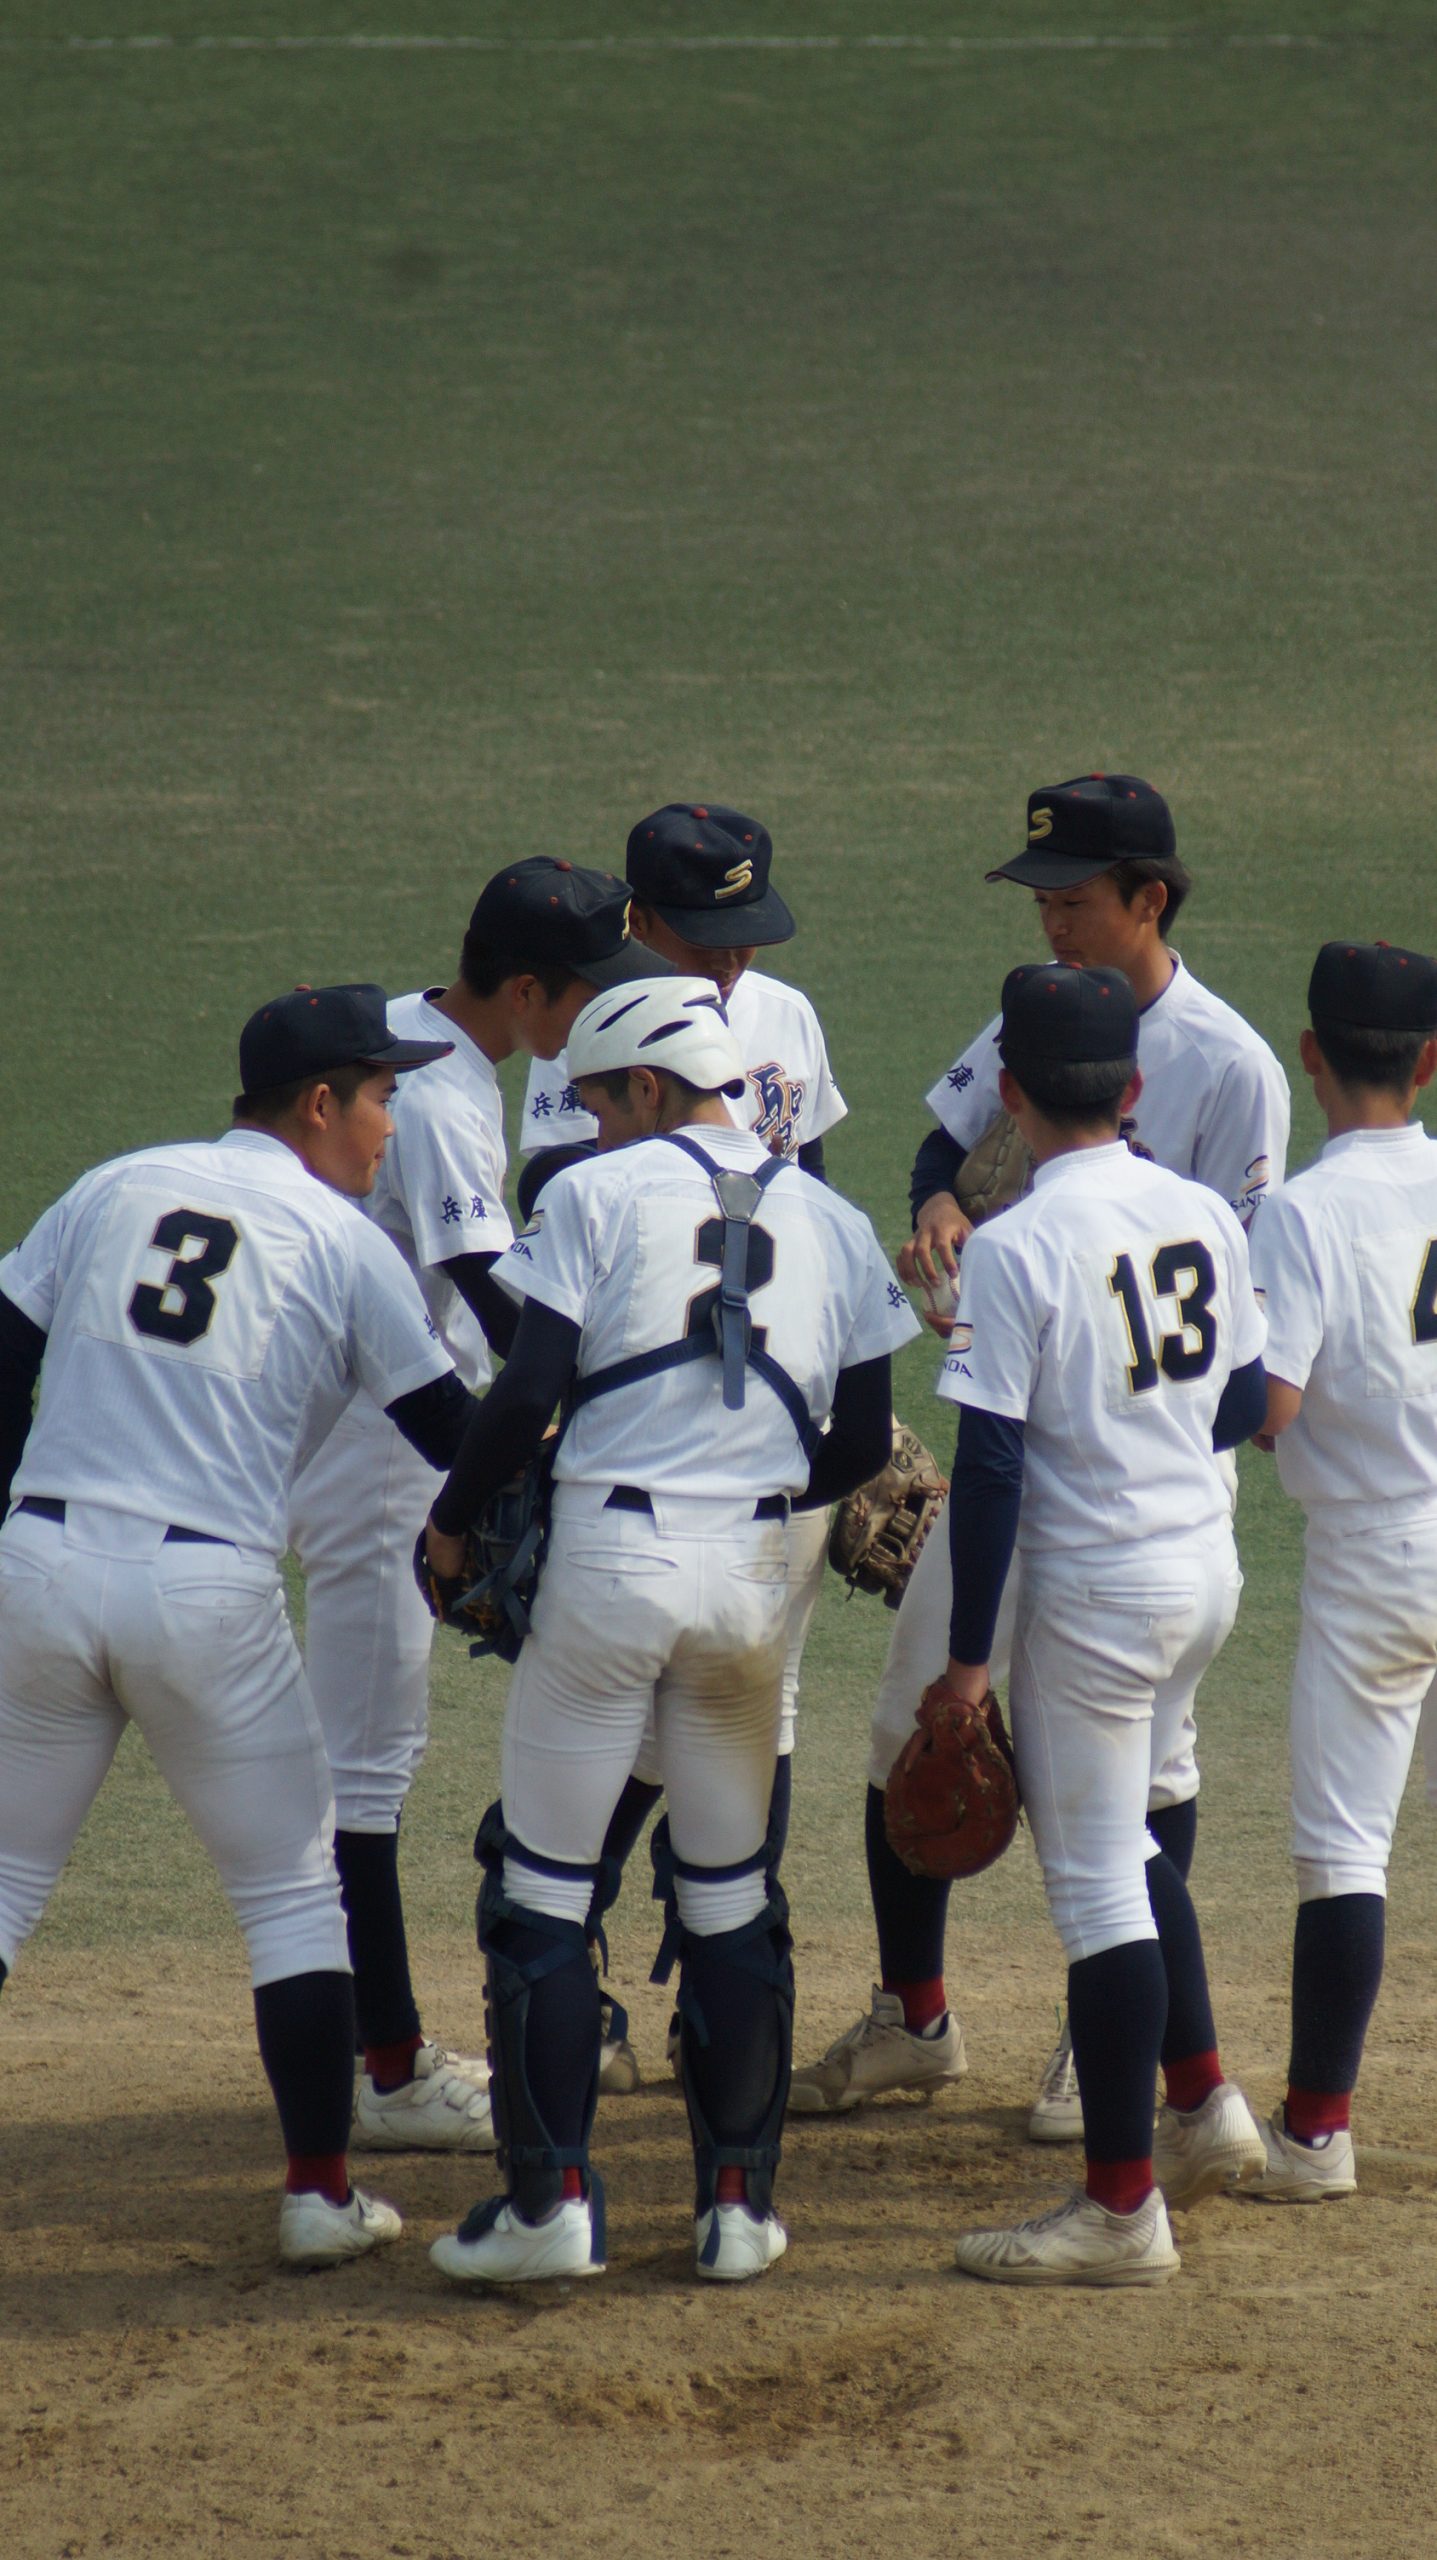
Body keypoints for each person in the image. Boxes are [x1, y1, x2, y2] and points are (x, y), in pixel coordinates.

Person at [791, 774, 1290, 2138]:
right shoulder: (1047, 1010)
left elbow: (1231, 1311)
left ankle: (1106, 2041)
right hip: (1020, 1447)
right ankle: (914, 2018)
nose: (1052, 921)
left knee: (1144, 1784)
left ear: (1150, 899)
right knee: (910, 1727)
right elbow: (943, 1146)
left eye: (1073, 899)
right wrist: (942, 1210)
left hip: (1138, 1470)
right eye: (1041, 900)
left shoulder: (1232, 1066)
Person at [421, 979, 920, 2286]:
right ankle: (737, 2213)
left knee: (539, 1888)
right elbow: (865, 1442)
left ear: (647, 1086)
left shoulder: (593, 1195)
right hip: (752, 1578)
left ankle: (547, 2212)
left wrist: (453, 1525)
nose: (591, 1129)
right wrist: (749, 1496)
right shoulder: (836, 1220)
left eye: (597, 1102)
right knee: (729, 1893)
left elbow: (526, 1386)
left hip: (609, 1564)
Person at [0, 986, 476, 2266]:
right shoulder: (346, 1242)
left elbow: (3, 1358)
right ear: (320, 1103)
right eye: (382, 1095)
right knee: (293, 1897)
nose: (392, 1123)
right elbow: (449, 1433)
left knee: (1, 1885)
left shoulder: (111, 1185)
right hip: (205, 1592)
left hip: (38, 1562)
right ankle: (319, 2198)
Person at [286, 863, 670, 2154]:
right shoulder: (447, 1099)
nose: (599, 1013)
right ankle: (389, 2069)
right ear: (523, 990)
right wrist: (594, 1400)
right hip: (381, 1446)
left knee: (359, 1762)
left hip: (366, 1420)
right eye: (587, 990)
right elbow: (489, 1287)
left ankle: (372, 2049)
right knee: (365, 1765)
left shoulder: (419, 1036)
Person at [932, 962, 1269, 2285]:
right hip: (1205, 1576)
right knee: (1131, 1841)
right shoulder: (1201, 1210)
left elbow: (990, 1472)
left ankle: (1122, 2210)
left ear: (1012, 1093)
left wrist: (966, 1665)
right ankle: (1205, 2098)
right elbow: (1241, 1403)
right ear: (1131, 1089)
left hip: (1096, 1600)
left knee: (1097, 1888)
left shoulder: (1014, 1243)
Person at [518, 806, 849, 2089]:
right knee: (623, 1725)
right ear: (639, 924)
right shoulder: (600, 1031)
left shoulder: (788, 1018)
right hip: (631, 1425)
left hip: (764, 1436)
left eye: (747, 934)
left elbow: (812, 1196)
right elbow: (557, 1214)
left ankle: (710, 1996)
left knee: (755, 1713)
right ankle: (586, 1971)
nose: (733, 962)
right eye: (705, 938)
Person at [1245, 941, 1437, 2200]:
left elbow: (1273, 1405)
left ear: (1311, 1053)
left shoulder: (1304, 1209)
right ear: (1430, 1063)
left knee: (1345, 1850)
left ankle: (1316, 2135)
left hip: (1375, 1554)